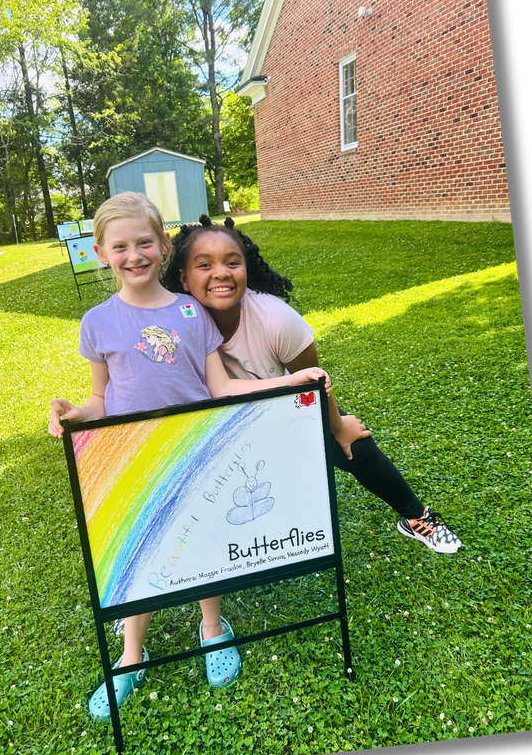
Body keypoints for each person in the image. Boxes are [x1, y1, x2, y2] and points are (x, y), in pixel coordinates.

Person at [48, 193, 339, 721]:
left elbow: (222, 386)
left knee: (202, 541)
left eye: (144, 243)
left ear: (163, 246)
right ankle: (131, 655)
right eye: (120, 246)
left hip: (197, 446)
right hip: (131, 455)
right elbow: (98, 399)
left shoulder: (190, 312)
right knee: (135, 554)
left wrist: (287, 380)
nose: (133, 255)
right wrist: (73, 415)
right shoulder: (97, 321)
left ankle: (212, 628)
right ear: (100, 253)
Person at [161, 215, 463, 555]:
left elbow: (312, 382)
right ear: (184, 278)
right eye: (204, 265)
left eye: (233, 262)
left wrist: (338, 426)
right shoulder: (173, 326)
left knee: (356, 445)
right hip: (220, 419)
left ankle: (416, 517)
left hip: (282, 407)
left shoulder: (276, 319)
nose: (221, 273)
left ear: (246, 269)